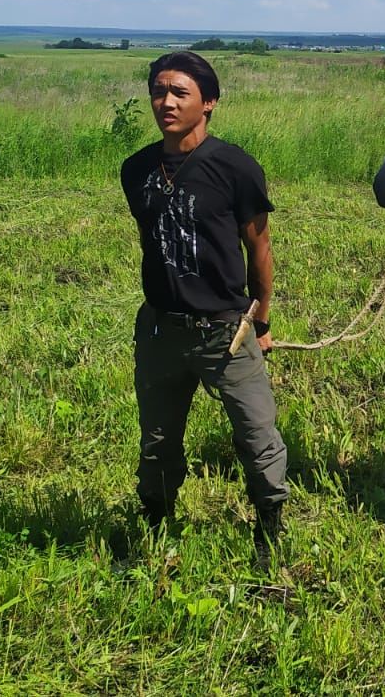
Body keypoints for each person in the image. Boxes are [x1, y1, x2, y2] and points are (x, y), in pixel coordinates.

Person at [120, 50, 287, 571]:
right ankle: (154, 527)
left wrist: (259, 322)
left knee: (257, 434)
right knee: (158, 440)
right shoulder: (137, 170)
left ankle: (269, 531)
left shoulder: (235, 168)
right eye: (158, 91)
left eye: (179, 93)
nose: (165, 102)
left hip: (225, 332)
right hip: (161, 330)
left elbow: (259, 250)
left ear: (208, 103)